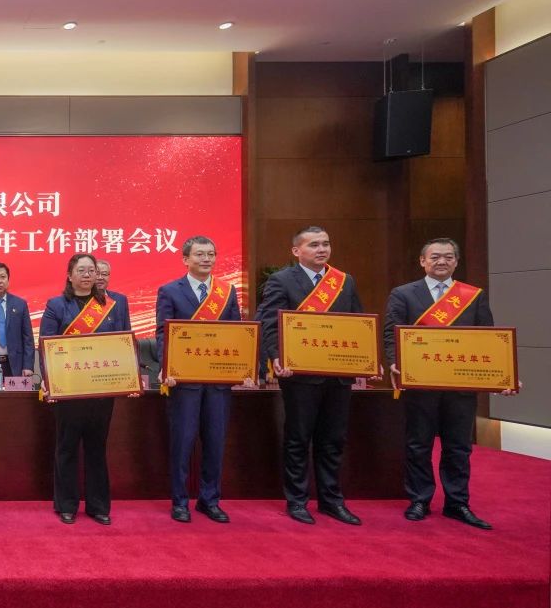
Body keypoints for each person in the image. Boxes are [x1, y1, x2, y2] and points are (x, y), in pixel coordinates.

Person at [384, 238, 517, 530]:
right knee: (418, 445)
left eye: (448, 257)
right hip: (419, 385)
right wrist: (395, 362)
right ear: (422, 261)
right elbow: (391, 334)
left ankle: (457, 503)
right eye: (435, 257)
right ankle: (419, 499)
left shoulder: (473, 296)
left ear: (456, 262)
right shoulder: (403, 294)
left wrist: (503, 374)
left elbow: (488, 339)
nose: (441, 261)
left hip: (460, 388)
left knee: (458, 447)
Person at [257, 226, 373, 526]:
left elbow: (358, 323)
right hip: (299, 375)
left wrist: (367, 360)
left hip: (338, 374)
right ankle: (297, 500)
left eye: (326, 244)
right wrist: (276, 356)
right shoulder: (281, 280)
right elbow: (269, 322)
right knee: (298, 438)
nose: (322, 249)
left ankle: (332, 500)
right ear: (296, 251)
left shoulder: (344, 281)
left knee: (333, 439)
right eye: (314, 245)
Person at [155, 236, 247, 524]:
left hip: (218, 380)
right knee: (182, 443)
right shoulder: (169, 291)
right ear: (186, 259)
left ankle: (210, 500)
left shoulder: (227, 291)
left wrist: (242, 366)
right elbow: (163, 333)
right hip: (183, 381)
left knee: (215, 442)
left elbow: (237, 332)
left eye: (211, 254)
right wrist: (167, 366)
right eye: (199, 254)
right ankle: (180, 501)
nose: (206, 259)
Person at [40, 254, 133, 525]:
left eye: (91, 270)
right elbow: (46, 345)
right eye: (81, 270)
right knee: (67, 447)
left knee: (97, 448)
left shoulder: (112, 305)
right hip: (68, 388)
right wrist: (49, 379)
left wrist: (129, 377)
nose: (87, 275)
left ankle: (98, 506)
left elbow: (125, 342)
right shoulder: (57, 305)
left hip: (101, 389)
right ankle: (66, 504)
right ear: (70, 275)